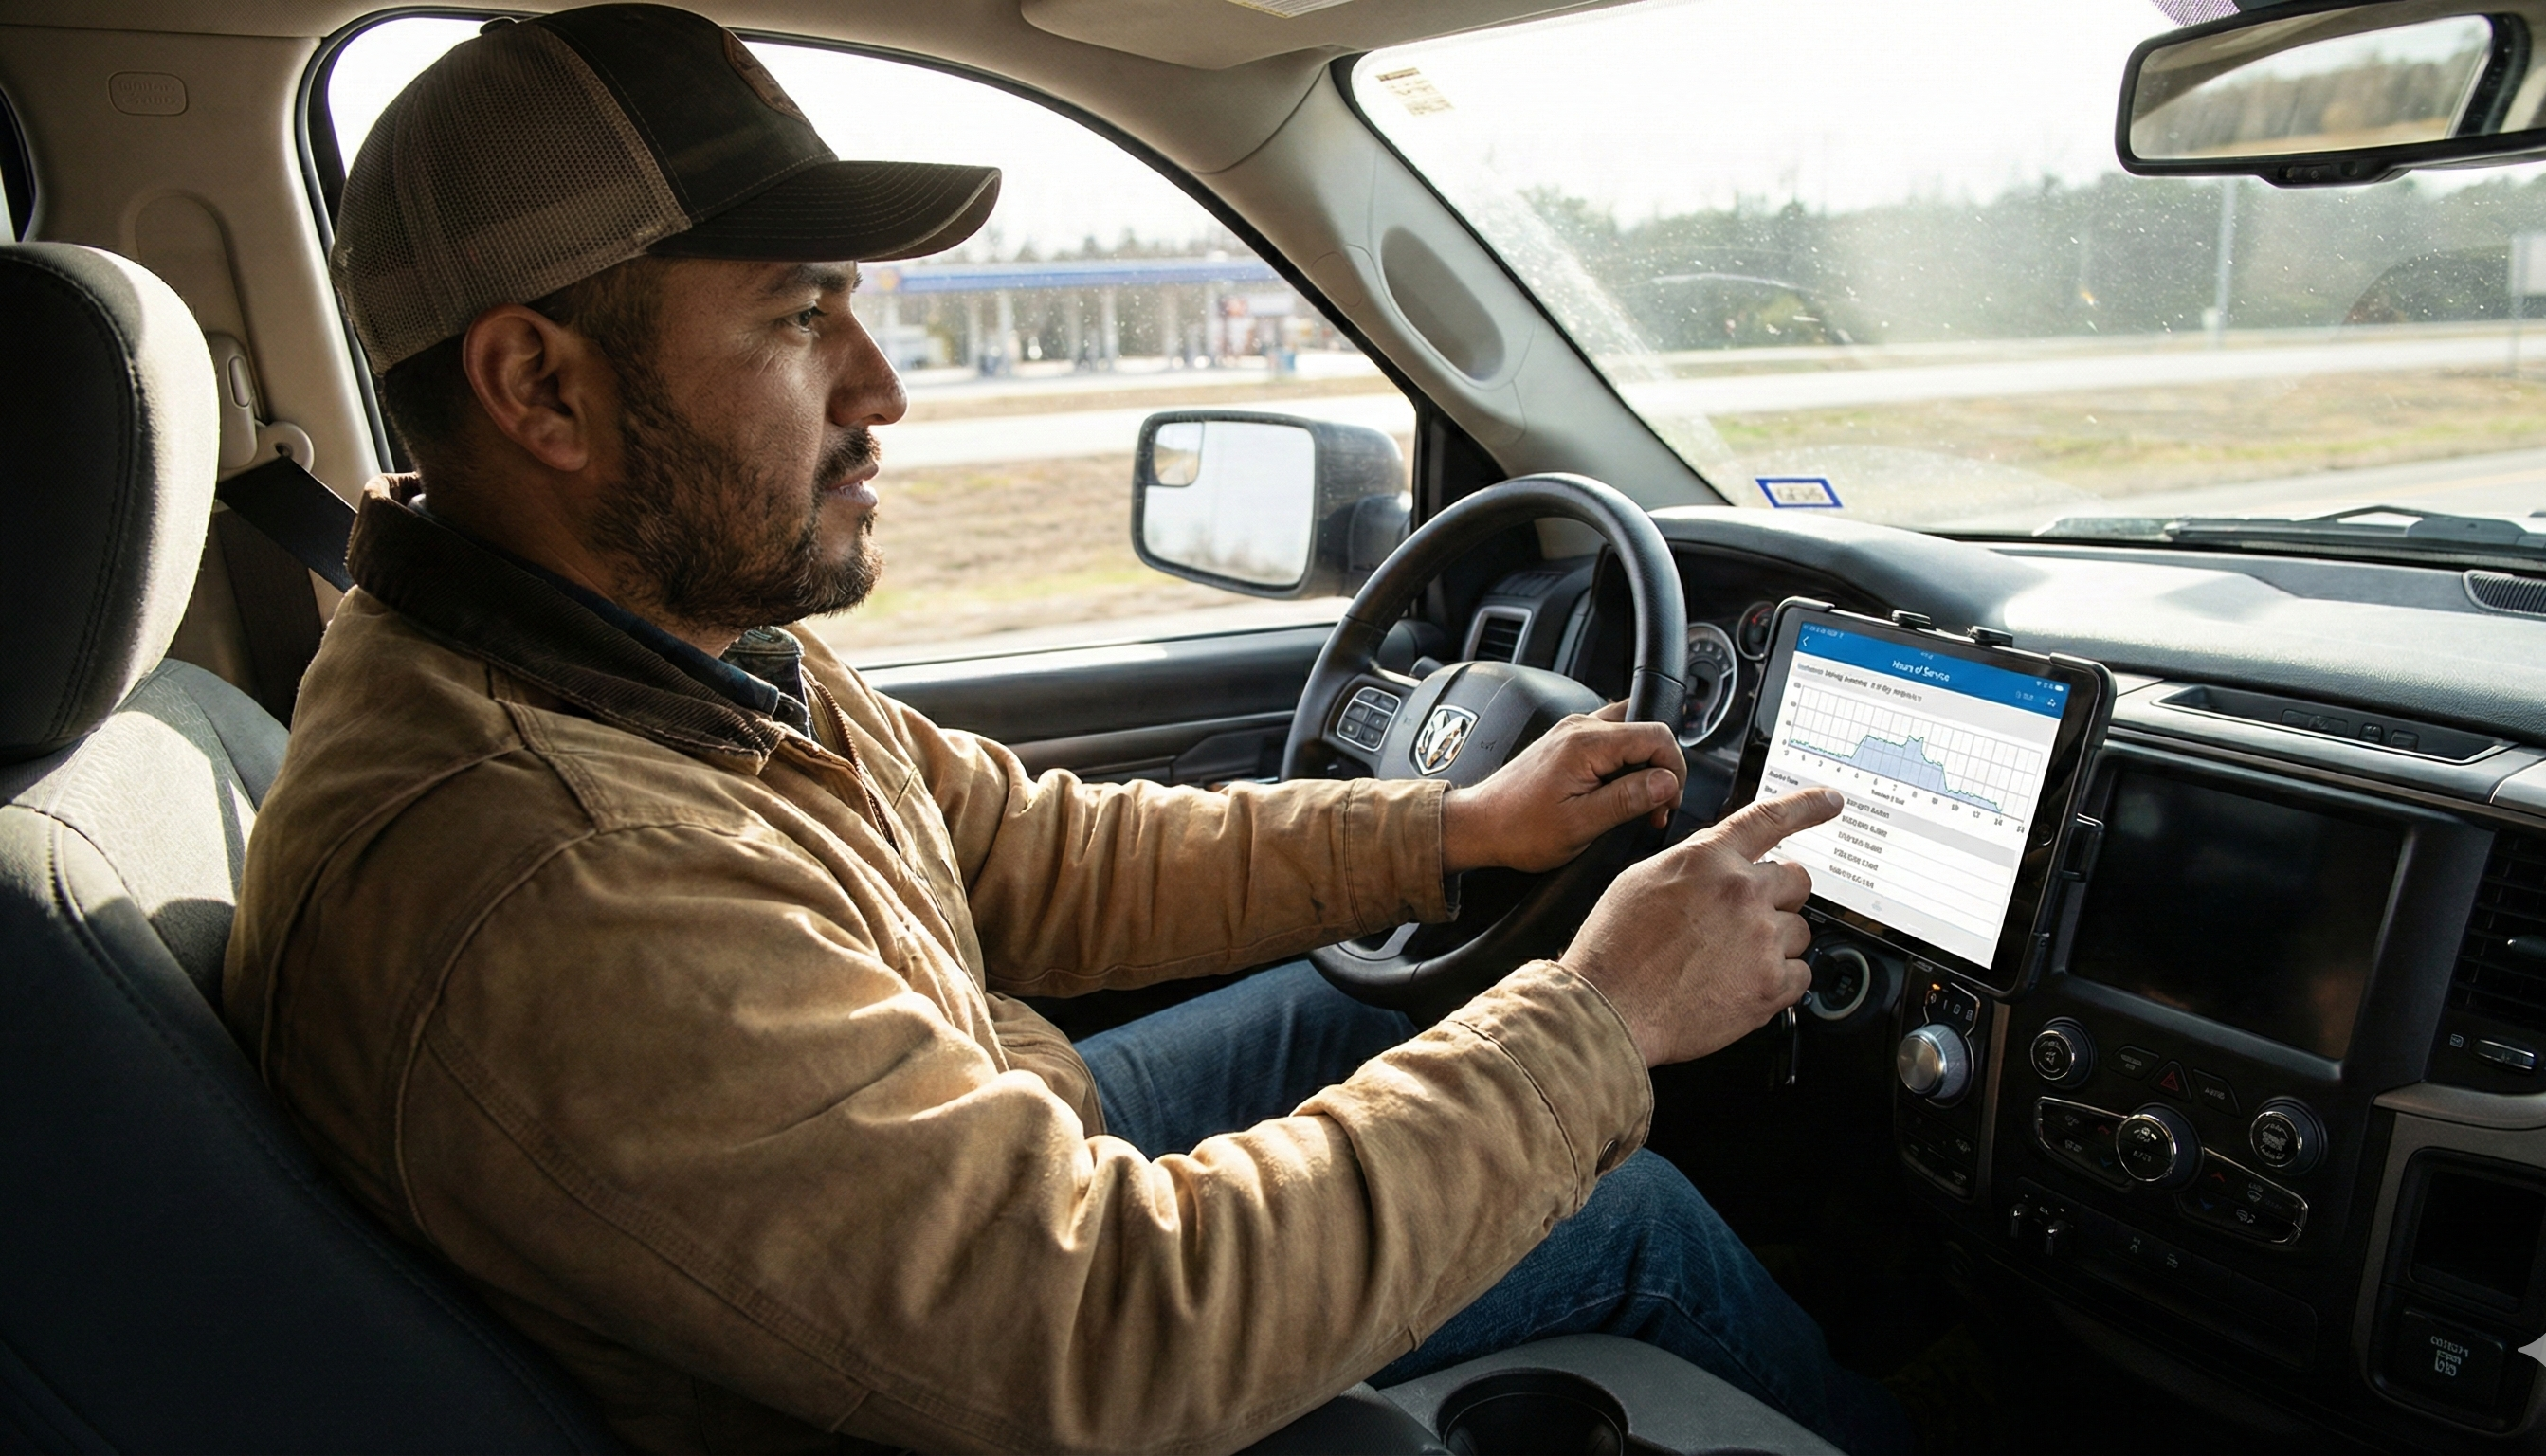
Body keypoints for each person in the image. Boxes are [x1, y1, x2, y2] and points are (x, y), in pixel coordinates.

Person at [222, 7, 1909, 1452]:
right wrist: (1607, 1017)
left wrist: (1455, 828)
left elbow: (1028, 852)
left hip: (966, 1179)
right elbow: (1110, 1330)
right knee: (1625, 1211)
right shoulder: (561, 880)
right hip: (1010, 1348)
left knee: (1351, 1009)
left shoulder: (646, 651)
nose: (881, 388)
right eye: (801, 317)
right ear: (541, 389)